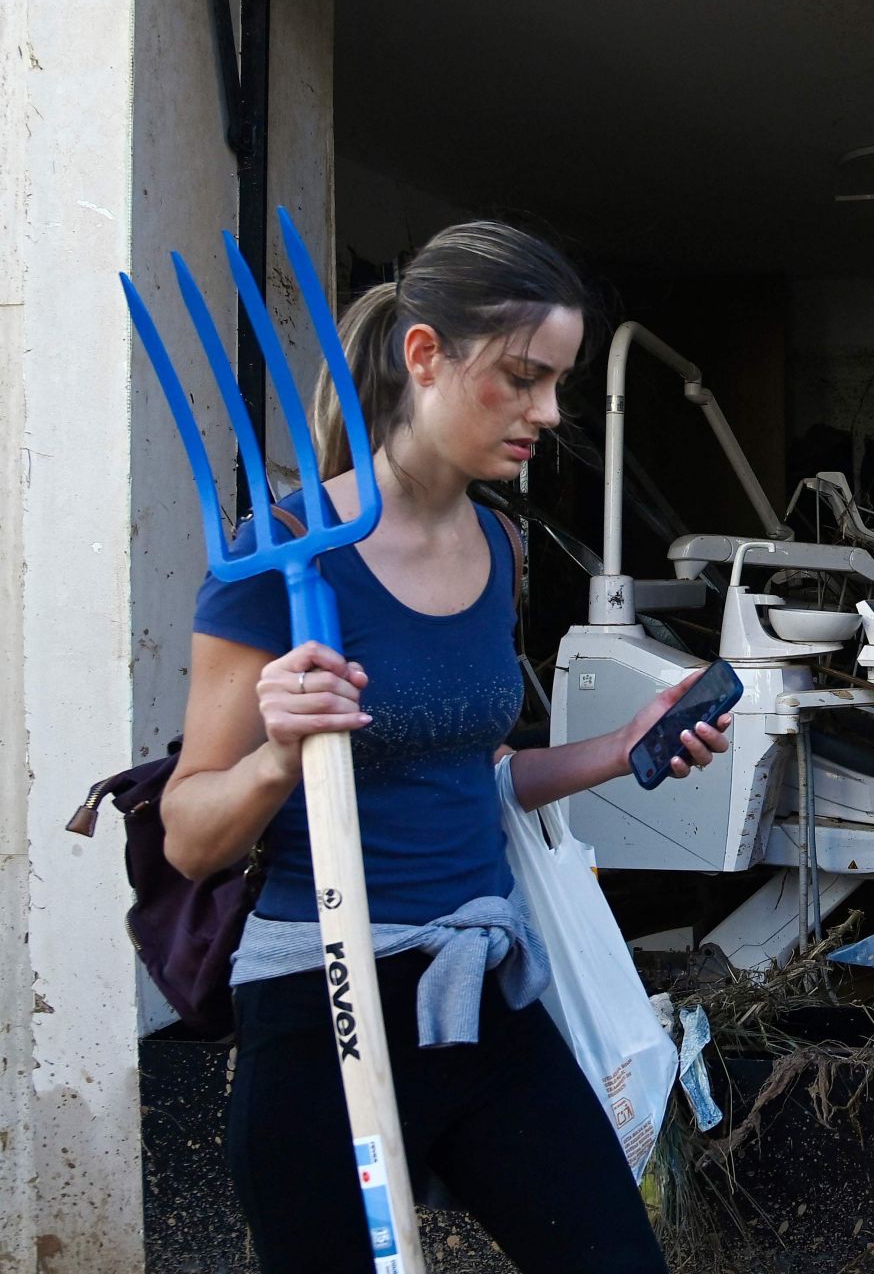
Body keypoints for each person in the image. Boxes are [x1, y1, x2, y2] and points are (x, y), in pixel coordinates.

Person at [162, 220, 725, 1272]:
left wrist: (624, 744)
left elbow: (477, 769)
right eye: (521, 378)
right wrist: (281, 753)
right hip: (323, 1005)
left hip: (483, 995)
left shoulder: (499, 543)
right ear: (425, 356)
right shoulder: (274, 560)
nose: (548, 414)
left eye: (557, 382)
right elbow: (190, 836)